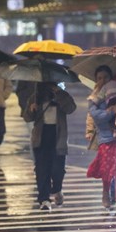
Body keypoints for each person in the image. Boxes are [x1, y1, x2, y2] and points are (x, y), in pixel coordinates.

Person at [86, 65, 116, 211]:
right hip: (106, 137)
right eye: (99, 78)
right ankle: (106, 193)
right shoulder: (94, 98)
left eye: (106, 77)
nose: (103, 81)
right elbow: (96, 116)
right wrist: (110, 112)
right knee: (107, 168)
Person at [23, 82, 76, 210]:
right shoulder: (36, 96)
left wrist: (58, 93)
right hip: (41, 137)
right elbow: (27, 117)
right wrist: (31, 109)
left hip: (58, 137)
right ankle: (44, 199)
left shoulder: (62, 95)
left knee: (57, 169)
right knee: (42, 169)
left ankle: (57, 188)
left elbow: (70, 108)